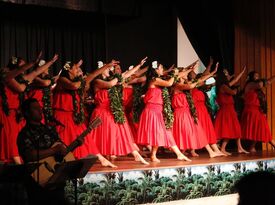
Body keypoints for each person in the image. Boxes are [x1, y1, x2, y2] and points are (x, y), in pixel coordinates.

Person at [53, 60, 116, 167]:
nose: (78, 70)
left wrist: (107, 66)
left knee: (85, 137)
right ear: (69, 70)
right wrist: (85, 80)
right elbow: (74, 86)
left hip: (73, 115)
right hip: (62, 116)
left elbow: (92, 75)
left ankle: (101, 159)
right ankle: (66, 162)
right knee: (64, 140)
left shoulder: (78, 81)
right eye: (76, 68)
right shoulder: (62, 80)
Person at [0, 53, 58, 164]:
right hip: (8, 113)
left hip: (18, 114)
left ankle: (21, 164)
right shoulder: (7, 76)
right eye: (21, 66)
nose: (23, 69)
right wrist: (32, 63)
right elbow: (21, 88)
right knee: (11, 141)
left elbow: (35, 72)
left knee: (19, 140)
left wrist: (51, 62)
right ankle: (18, 165)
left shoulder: (21, 78)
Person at [17, 98, 69, 205]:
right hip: (37, 183)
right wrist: (54, 150)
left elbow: (61, 149)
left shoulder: (49, 130)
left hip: (55, 179)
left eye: (39, 108)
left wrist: (75, 144)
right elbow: (29, 155)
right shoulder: (24, 134)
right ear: (27, 113)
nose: (40, 111)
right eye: (35, 108)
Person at [136, 61, 191, 162]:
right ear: (156, 70)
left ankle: (153, 155)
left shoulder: (158, 79)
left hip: (158, 110)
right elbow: (170, 83)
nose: (162, 70)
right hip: (152, 111)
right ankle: (138, 153)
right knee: (159, 133)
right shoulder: (154, 80)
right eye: (161, 68)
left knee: (160, 133)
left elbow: (175, 76)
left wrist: (189, 70)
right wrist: (174, 73)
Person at [214, 67, 248, 155]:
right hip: (226, 111)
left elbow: (235, 80)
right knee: (227, 130)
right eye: (226, 75)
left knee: (235, 129)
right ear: (223, 77)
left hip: (230, 110)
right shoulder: (224, 86)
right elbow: (233, 93)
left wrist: (242, 72)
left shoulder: (225, 85)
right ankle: (220, 148)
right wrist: (236, 89)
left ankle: (238, 148)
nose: (228, 76)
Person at [241, 71, 275, 152]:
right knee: (262, 128)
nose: (257, 77)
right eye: (256, 76)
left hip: (257, 111)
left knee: (260, 129)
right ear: (251, 77)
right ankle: (272, 144)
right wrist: (263, 81)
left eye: (258, 76)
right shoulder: (250, 85)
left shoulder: (257, 87)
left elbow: (268, 82)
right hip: (251, 111)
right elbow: (261, 84)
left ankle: (252, 147)